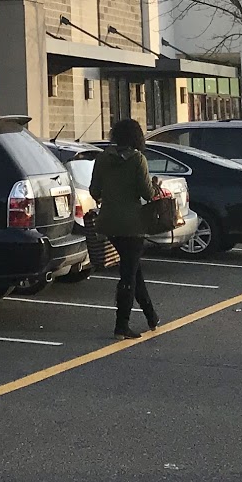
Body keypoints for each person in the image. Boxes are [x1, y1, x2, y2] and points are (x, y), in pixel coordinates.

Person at [94, 117, 160, 340]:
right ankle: (121, 325)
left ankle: (151, 315)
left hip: (107, 222)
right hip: (132, 225)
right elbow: (147, 193)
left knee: (133, 269)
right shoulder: (137, 159)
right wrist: (155, 187)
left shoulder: (103, 158)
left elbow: (94, 191)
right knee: (128, 275)